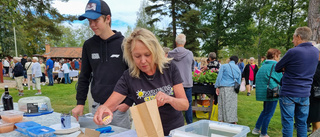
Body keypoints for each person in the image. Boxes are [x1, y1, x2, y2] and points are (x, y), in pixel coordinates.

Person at [93, 28, 188, 136]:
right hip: (148, 132)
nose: (143, 61)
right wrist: (103, 109)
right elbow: (110, 104)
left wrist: (169, 99)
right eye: (137, 56)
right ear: (131, 56)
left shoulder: (169, 68)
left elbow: (184, 105)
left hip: (174, 131)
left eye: (147, 55)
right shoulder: (128, 76)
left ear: (155, 51)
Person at [72, 0, 132, 129]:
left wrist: (127, 103)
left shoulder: (125, 44)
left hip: (119, 109)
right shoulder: (88, 45)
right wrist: (80, 103)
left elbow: (134, 76)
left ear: (107, 19)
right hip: (97, 107)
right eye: (89, 21)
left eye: (96, 20)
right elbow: (84, 76)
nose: (92, 25)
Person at [275, 27, 319, 137]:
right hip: (305, 93)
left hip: (289, 92)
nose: (292, 40)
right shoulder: (315, 51)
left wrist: (287, 68)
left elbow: (277, 67)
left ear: (299, 37)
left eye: (293, 38)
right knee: (302, 123)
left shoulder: (293, 51)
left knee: (288, 123)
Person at [252, 49, 283, 137]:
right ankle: (263, 133)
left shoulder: (263, 65)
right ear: (275, 56)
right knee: (269, 113)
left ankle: (256, 129)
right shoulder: (275, 65)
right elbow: (281, 78)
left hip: (265, 92)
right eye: (279, 56)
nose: (279, 58)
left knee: (265, 111)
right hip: (272, 92)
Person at [168, 33, 194, 124]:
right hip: (187, 82)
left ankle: (176, 124)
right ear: (185, 42)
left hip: (174, 83)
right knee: (188, 105)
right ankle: (189, 124)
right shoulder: (190, 54)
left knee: (174, 104)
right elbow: (192, 68)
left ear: (176, 42)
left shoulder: (170, 55)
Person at [215, 56, 241, 124]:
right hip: (233, 88)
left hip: (224, 87)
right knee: (232, 105)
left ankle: (222, 120)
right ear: (236, 61)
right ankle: (233, 120)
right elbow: (239, 80)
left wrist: (217, 86)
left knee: (222, 104)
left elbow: (219, 77)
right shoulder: (237, 68)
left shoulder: (224, 66)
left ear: (229, 59)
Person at [307, 44, 320, 133]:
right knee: (315, 123)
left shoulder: (316, 65)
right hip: (314, 95)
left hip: (316, 96)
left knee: (316, 121)